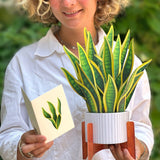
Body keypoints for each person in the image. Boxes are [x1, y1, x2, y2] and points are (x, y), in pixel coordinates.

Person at [0, 0, 154, 160]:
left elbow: (141, 127)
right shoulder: (24, 63)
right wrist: (22, 148)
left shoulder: (126, 63)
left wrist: (139, 148)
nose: (68, 3)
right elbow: (8, 134)